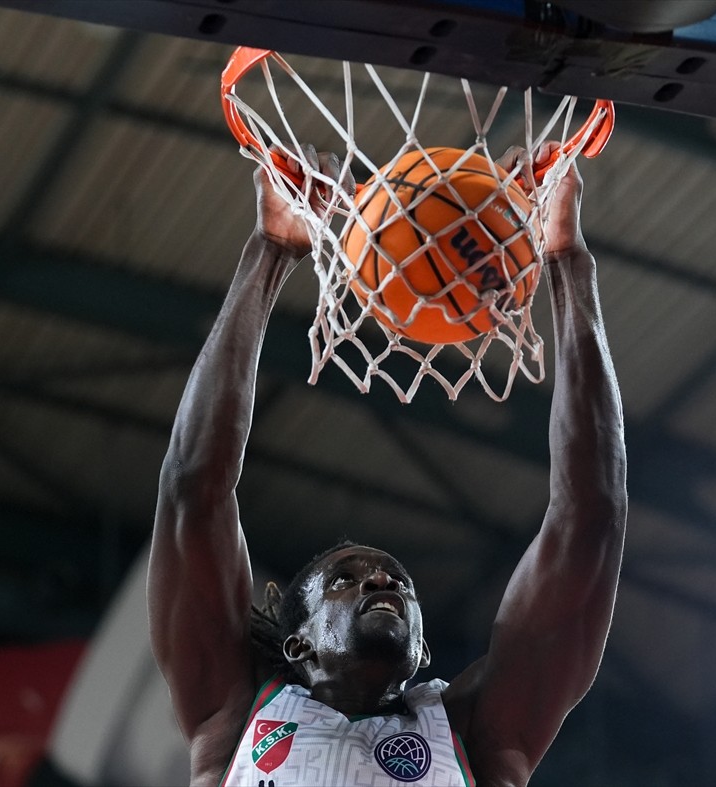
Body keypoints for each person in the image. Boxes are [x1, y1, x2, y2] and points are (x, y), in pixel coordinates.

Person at [148, 143, 627, 787]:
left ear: (423, 653)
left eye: (393, 580)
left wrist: (568, 260)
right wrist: (269, 251)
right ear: (299, 646)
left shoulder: (477, 735)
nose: (382, 584)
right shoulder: (235, 716)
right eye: (346, 580)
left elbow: (590, 517)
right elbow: (191, 490)